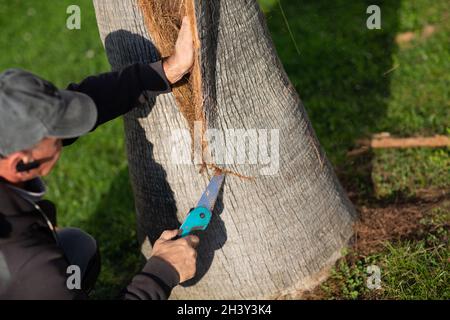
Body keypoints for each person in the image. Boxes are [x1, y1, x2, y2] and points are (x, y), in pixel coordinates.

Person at [0, 17, 199, 300]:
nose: (65, 138)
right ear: (20, 163)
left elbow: (84, 100)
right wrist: (162, 271)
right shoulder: (28, 261)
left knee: (76, 249)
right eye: (57, 137)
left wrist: (166, 70)